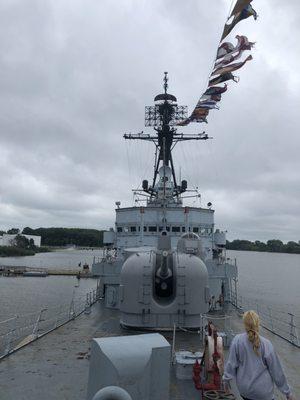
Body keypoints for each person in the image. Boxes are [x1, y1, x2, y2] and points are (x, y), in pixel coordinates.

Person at [223, 310, 295, 400]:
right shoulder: (266, 344)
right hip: (263, 393)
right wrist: (287, 393)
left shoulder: (237, 340)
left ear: (244, 324)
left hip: (244, 391)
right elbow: (276, 371)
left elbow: (231, 364)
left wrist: (226, 381)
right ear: (258, 323)